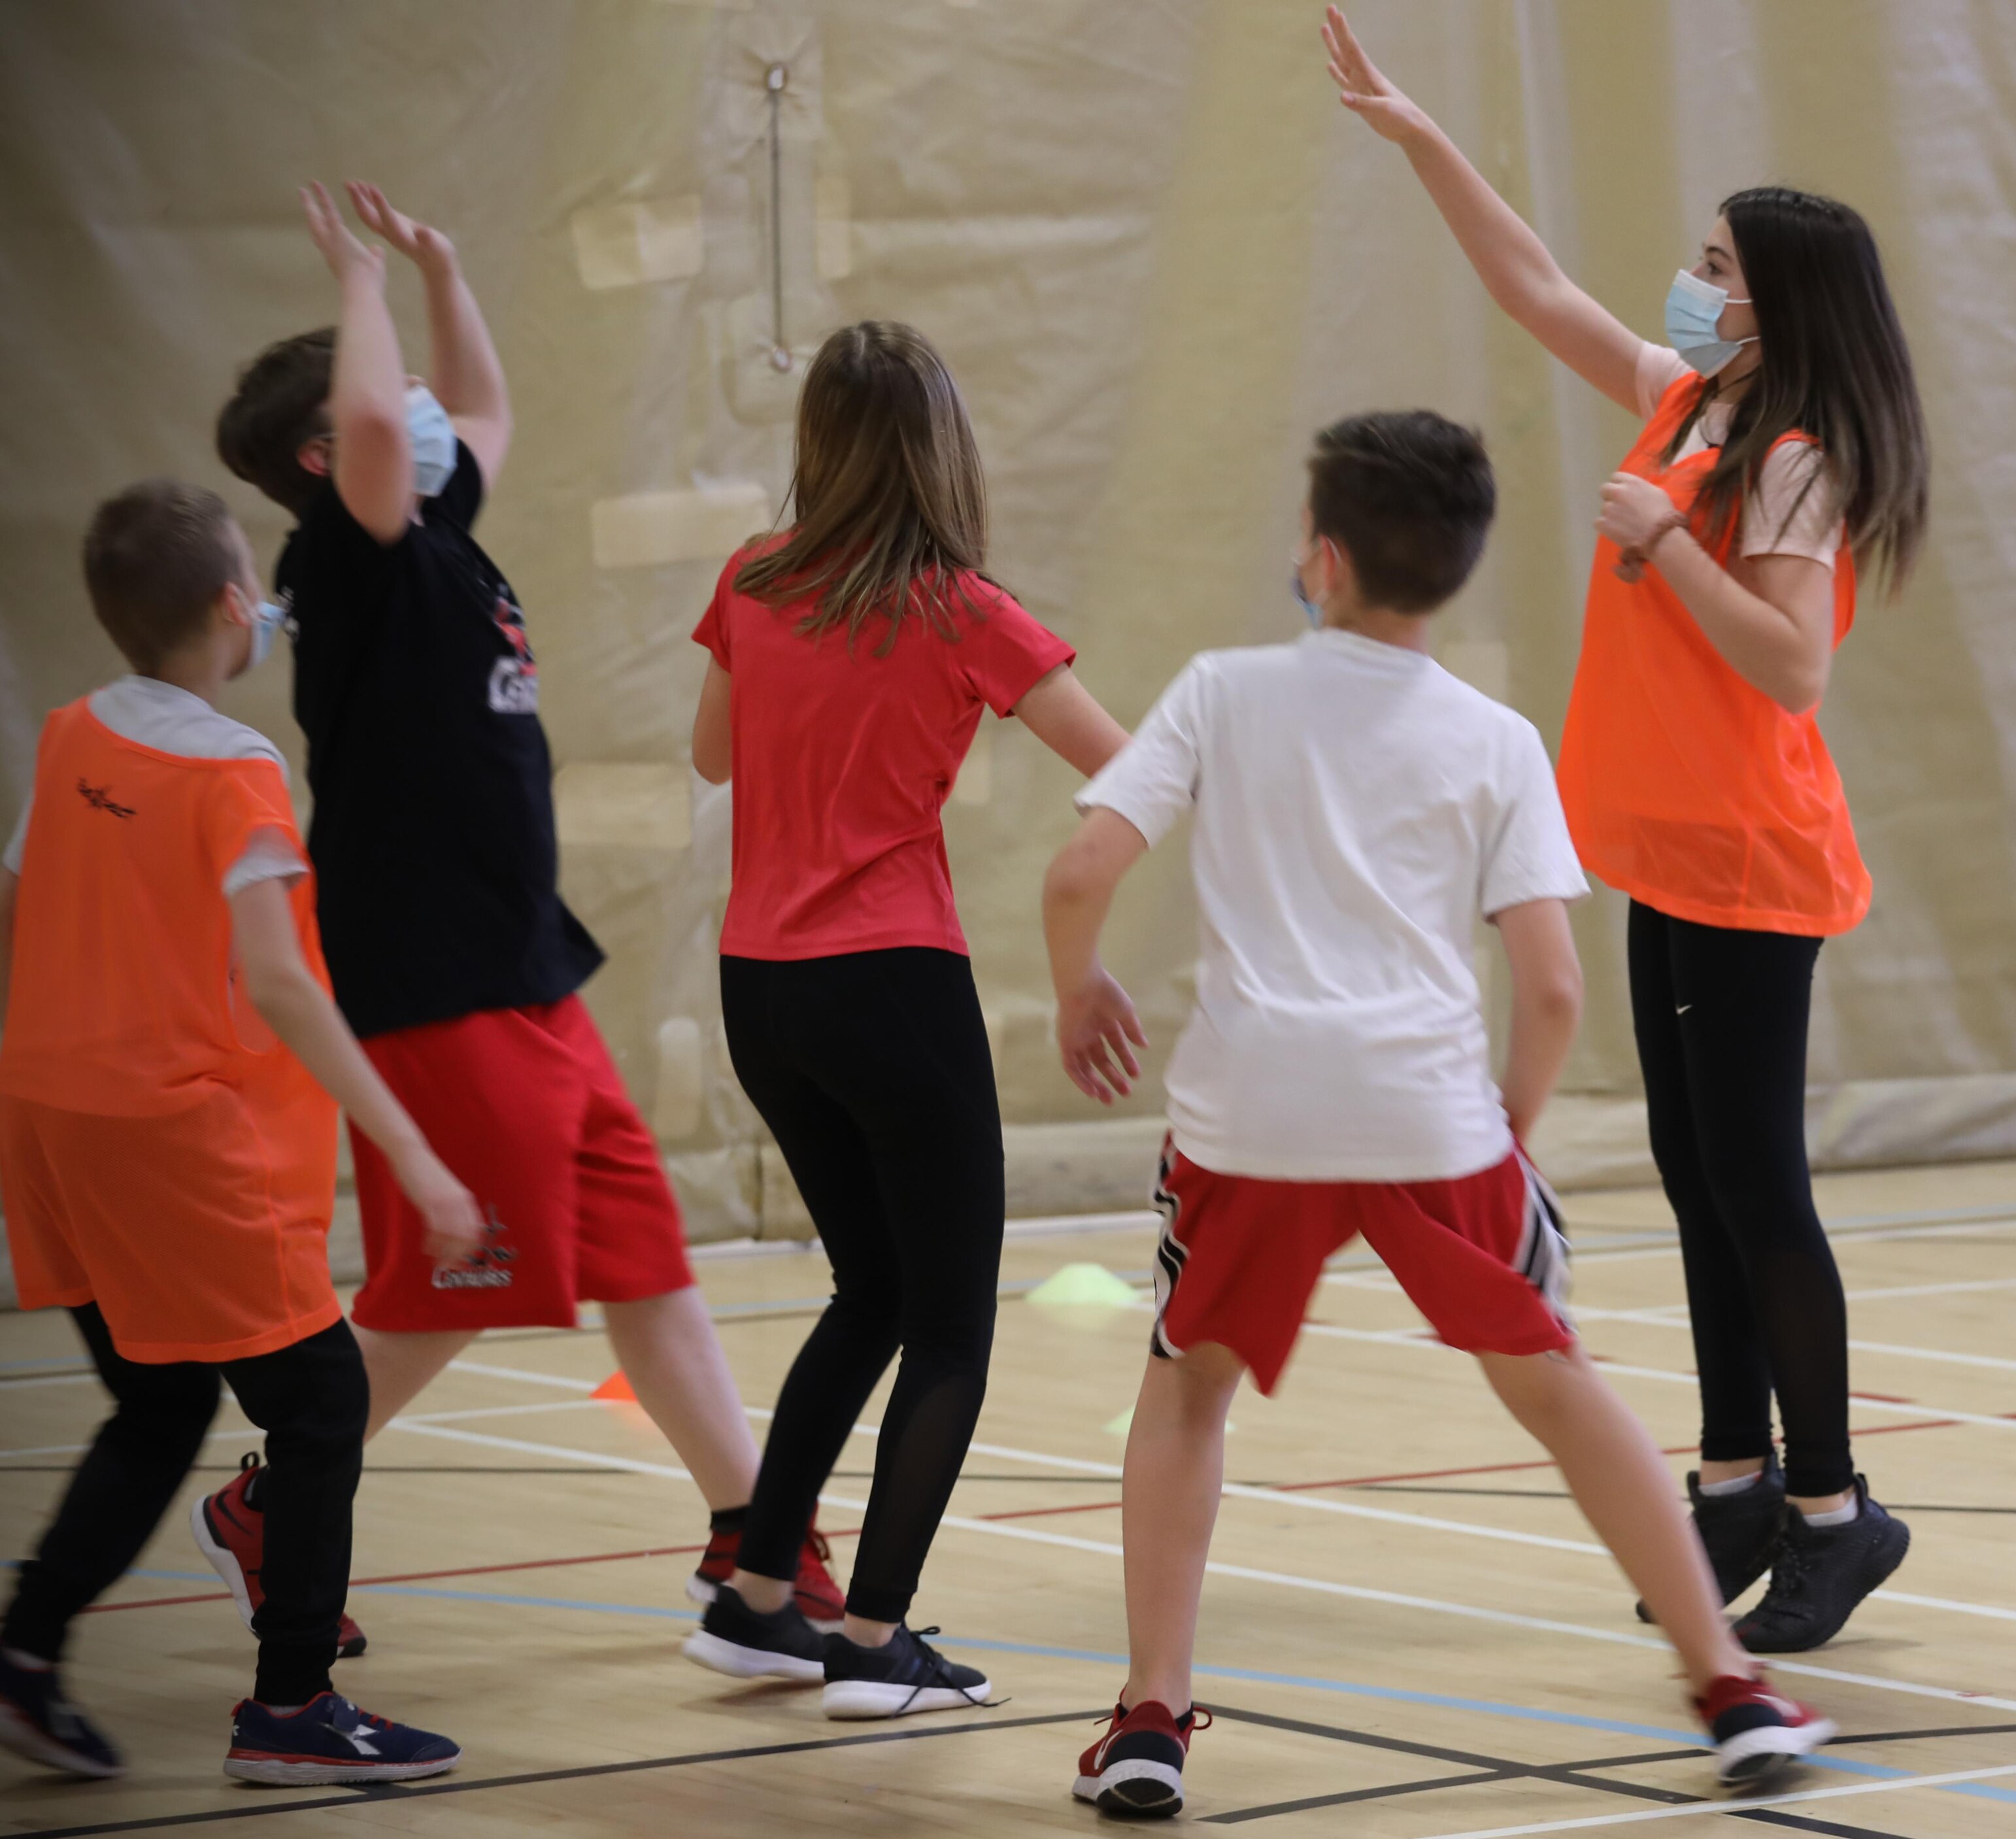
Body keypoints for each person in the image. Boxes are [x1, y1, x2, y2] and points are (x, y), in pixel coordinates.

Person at [1047, 411, 1834, 1819]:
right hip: (1429, 1112)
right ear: (1457, 569)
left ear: (1322, 556)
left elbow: (1076, 872)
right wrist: (1507, 1141)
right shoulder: (1493, 737)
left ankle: (1153, 1719)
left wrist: (1078, 989)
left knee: (1184, 1394)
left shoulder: (1220, 692)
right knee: (1559, 1391)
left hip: (1249, 1117)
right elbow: (1548, 989)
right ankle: (1730, 1689)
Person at [1321, 8, 1928, 1651]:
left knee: (1758, 1179)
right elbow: (1534, 291)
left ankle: (1830, 1504)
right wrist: (1421, 136)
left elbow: (1793, 665)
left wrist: (1668, 545)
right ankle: (1734, 1471)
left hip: (1751, 853)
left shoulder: (1792, 460)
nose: (1692, 281)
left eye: (1718, 267)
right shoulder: (1687, 408)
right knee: (1689, 1167)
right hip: (1656, 842)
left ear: (1777, 302)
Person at [212, 182, 829, 1643]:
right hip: (427, 976)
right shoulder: (348, 562)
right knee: (455, 1282)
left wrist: (438, 272)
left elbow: (475, 412)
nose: (425, 414)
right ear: (326, 455)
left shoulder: (439, 532)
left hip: (522, 962)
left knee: (642, 1253)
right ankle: (272, 1507)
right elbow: (379, 431)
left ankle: (755, 1551)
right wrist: (355, 285)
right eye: (393, 399)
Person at [682, 319, 1132, 1715]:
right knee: (947, 1322)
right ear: (943, 448)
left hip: (760, 989)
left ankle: (759, 1596)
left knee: (868, 1291)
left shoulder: (753, 579)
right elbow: (1132, 770)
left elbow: (710, 752)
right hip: (894, 983)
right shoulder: (961, 609)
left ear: (814, 442)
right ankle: (876, 1641)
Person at [0, 481, 467, 1785]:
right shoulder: (235, 766)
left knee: (157, 1404)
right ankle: (292, 1711)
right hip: (170, 1131)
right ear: (228, 608)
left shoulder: (67, 730)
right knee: (320, 1406)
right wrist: (414, 1154)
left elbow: (18, 902)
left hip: (46, 1116)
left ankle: (26, 1650)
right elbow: (276, 980)